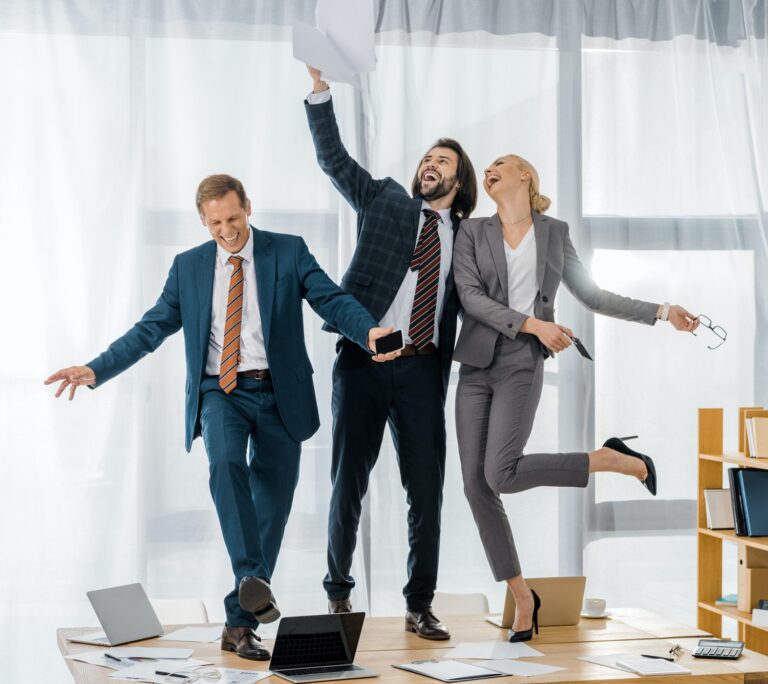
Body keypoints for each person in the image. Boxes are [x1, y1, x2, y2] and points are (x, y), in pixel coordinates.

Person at [44, 174, 400, 660]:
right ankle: (252, 577)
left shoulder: (288, 251)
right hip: (221, 392)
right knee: (225, 463)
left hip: (279, 394)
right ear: (203, 221)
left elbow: (330, 297)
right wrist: (95, 367)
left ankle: (238, 624)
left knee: (271, 509)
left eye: (234, 219)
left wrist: (368, 330)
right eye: (216, 224)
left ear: (248, 207)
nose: (227, 231)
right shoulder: (188, 267)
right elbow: (150, 328)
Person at [452, 154, 699, 642]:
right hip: (476, 365)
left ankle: (606, 459)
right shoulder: (472, 231)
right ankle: (523, 596)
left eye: (502, 163)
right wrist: (534, 323)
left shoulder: (554, 232)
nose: (490, 168)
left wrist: (663, 310)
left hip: (522, 362)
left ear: (525, 176)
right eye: (488, 166)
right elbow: (469, 295)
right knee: (477, 487)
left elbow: (592, 295)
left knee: (500, 472)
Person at [303, 65, 477, 640]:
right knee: (348, 481)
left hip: (425, 371)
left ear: (460, 182)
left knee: (427, 491)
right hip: (363, 363)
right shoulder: (383, 200)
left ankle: (419, 604)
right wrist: (320, 90)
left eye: (444, 162)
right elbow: (333, 160)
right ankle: (337, 595)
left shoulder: (469, 239)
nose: (431, 164)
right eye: (427, 158)